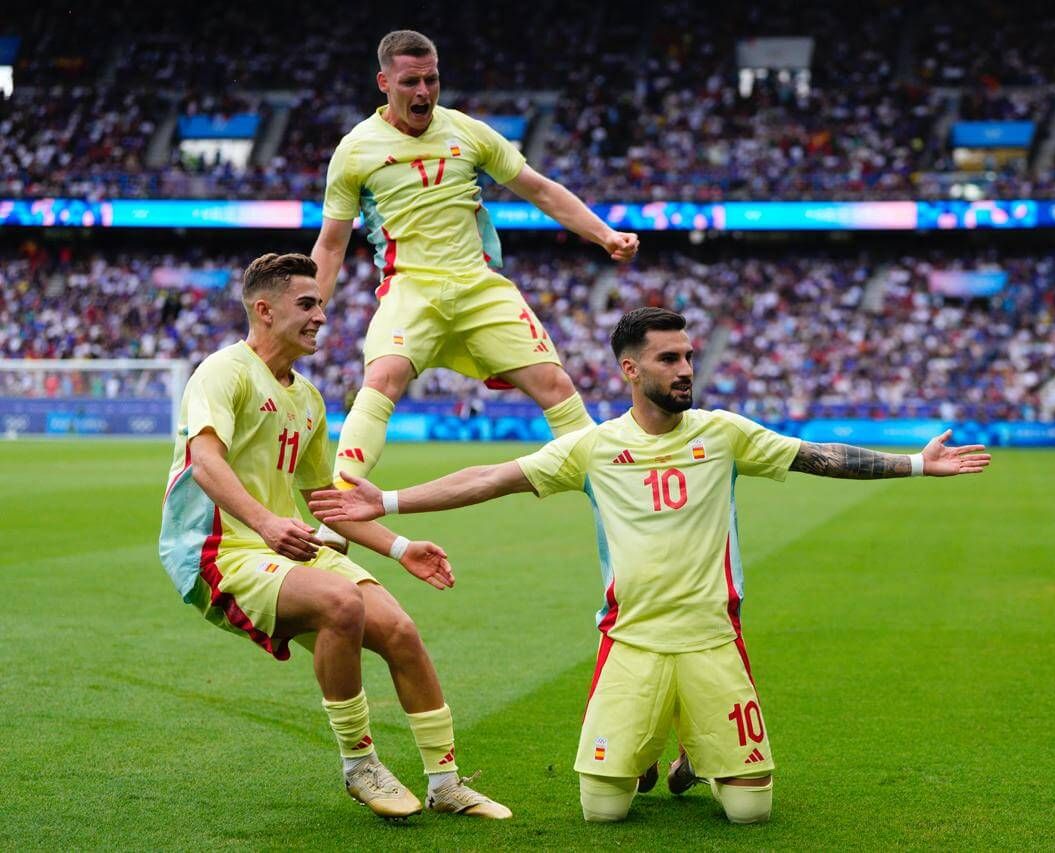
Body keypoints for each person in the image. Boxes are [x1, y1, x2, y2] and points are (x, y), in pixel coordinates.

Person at [307, 307, 991, 824]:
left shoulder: (724, 434)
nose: (686, 368)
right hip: (630, 638)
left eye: (688, 355)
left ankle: (698, 751)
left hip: (711, 638)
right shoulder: (594, 448)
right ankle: (657, 748)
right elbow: (493, 477)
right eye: (669, 358)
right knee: (603, 809)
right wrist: (388, 499)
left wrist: (914, 464)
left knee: (750, 813)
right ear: (631, 371)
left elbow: (817, 455)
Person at [157, 253, 510, 822]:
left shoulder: (309, 398)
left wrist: (400, 547)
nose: (322, 315)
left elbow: (329, 500)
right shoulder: (222, 370)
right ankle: (360, 764)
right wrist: (269, 522)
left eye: (322, 303)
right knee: (341, 604)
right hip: (217, 552)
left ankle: (445, 781)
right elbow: (205, 461)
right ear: (264, 310)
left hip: (283, 544)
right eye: (307, 304)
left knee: (400, 631)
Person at [310, 29, 639, 522]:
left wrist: (604, 235)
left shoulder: (469, 132)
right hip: (410, 289)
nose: (423, 92)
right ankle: (341, 509)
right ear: (384, 82)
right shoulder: (356, 150)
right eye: (410, 82)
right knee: (382, 377)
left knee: (554, 384)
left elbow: (541, 191)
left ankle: (615, 497)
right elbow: (332, 242)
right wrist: (311, 309)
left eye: (432, 79)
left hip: (478, 286)